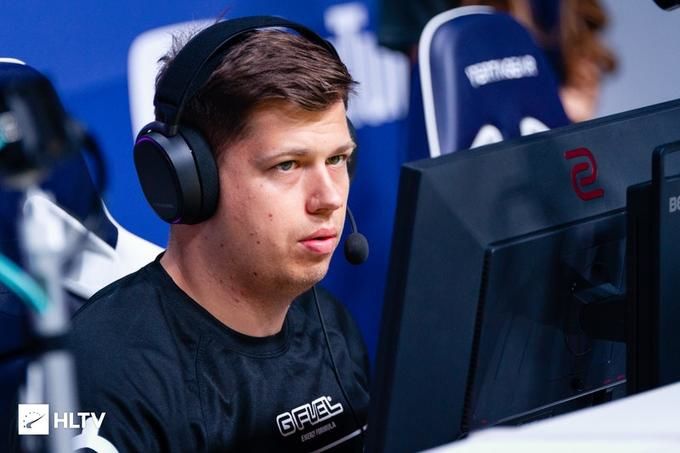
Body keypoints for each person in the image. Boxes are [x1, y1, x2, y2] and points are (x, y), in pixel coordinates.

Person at [69, 17, 370, 452]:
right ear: (188, 180)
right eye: (287, 165)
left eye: (337, 159)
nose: (329, 198)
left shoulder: (332, 325)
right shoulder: (96, 376)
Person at [378, 0, 618, 122]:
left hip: (558, 141)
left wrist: (574, 99)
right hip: (479, 148)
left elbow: (584, 54)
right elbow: (436, 92)